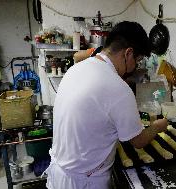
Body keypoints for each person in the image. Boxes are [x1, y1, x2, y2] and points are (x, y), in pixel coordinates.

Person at [45, 21, 168, 189]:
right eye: (137, 61)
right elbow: (138, 142)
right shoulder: (119, 89)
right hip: (85, 181)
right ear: (128, 53)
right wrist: (156, 126)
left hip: (59, 175)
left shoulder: (76, 69)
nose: (135, 67)